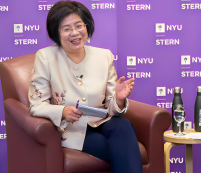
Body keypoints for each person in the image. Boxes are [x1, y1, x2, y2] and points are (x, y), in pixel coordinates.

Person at [28, 1, 142, 172]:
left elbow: (111, 109)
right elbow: (36, 105)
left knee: (123, 126)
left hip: (101, 121)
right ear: (56, 33)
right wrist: (63, 111)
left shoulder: (104, 56)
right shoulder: (45, 57)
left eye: (79, 25)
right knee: (123, 148)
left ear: (87, 26)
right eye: (66, 29)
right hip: (70, 129)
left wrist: (118, 100)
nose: (75, 32)